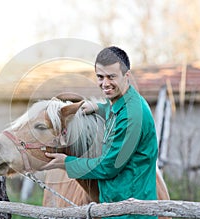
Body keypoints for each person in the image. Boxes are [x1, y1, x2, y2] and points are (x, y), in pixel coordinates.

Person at [41, 46, 158, 219]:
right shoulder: (122, 102)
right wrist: (98, 107)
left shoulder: (133, 115)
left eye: (112, 77)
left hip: (131, 211)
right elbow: (116, 111)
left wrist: (67, 163)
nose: (105, 83)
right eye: (100, 77)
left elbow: (109, 167)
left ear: (127, 76)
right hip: (116, 205)